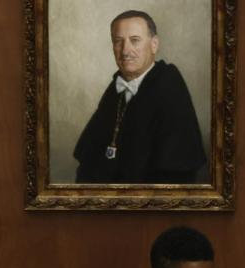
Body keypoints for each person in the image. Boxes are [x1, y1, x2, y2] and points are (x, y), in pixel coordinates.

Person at [73, 10, 206, 184]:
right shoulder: (116, 87)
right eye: (118, 41)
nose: (125, 50)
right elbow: (88, 159)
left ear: (154, 45)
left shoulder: (169, 86)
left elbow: (176, 172)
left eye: (135, 40)